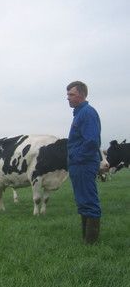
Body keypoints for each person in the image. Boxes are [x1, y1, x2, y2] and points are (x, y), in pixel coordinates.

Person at [66, 81, 102, 244]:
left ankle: (91, 243)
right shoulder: (80, 114)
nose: (68, 98)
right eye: (68, 94)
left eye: (71, 94)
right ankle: (86, 240)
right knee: (83, 201)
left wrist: (76, 157)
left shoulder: (87, 113)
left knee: (88, 200)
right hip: (79, 164)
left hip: (84, 164)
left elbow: (92, 141)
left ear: (81, 95)